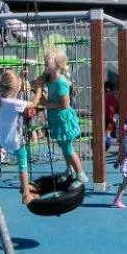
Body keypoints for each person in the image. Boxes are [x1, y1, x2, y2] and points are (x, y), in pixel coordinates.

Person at [37, 48, 86, 183]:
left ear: (57, 65)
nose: (46, 65)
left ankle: (81, 175)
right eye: (45, 63)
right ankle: (69, 169)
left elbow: (64, 104)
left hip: (63, 118)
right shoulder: (49, 77)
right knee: (63, 146)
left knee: (68, 148)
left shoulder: (60, 82)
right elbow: (36, 83)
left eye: (49, 63)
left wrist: (46, 103)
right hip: (55, 117)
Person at [0, 72, 35, 204]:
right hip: (15, 140)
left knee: (22, 161)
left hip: (3, 139)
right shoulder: (14, 102)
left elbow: (10, 86)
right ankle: (26, 193)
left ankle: (26, 186)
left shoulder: (0, 99)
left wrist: (21, 77)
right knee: (23, 164)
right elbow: (33, 103)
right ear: (16, 88)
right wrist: (38, 89)